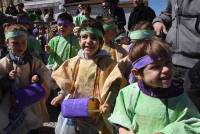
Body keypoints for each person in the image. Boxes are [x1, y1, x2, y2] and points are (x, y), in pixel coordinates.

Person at [109, 38, 200, 134]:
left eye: (168, 63)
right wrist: (123, 131)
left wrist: (168, 132)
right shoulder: (129, 93)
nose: (166, 69)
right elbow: (120, 118)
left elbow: (193, 124)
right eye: (156, 67)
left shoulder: (179, 97)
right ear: (137, 73)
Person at [51, 18, 117, 134]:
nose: (88, 41)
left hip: (97, 110)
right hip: (76, 107)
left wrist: (108, 102)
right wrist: (61, 95)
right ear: (79, 39)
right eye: (84, 37)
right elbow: (67, 83)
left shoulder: (108, 63)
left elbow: (114, 85)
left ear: (101, 42)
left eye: (94, 38)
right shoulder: (74, 62)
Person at [0, 23, 50, 134]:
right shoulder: (3, 63)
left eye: (23, 42)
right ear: (7, 43)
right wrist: (7, 78)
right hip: (12, 103)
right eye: (15, 43)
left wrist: (38, 77)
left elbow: (45, 72)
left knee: (33, 127)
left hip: (31, 102)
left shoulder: (33, 61)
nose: (20, 46)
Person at [153, 0, 200, 110]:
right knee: (171, 106)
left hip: (195, 64)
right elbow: (168, 13)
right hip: (172, 61)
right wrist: (159, 21)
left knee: (193, 110)